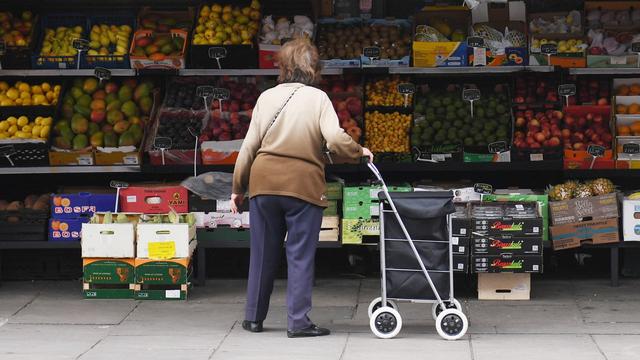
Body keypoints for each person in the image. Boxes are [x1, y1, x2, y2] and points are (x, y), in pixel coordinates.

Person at [230, 38, 373, 338]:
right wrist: (359, 151)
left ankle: (253, 318)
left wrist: (237, 187)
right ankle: (298, 323)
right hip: (303, 186)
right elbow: (334, 139)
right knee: (299, 255)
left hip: (263, 183)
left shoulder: (266, 97)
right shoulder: (318, 98)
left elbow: (248, 147)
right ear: (314, 67)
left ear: (282, 66)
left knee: (262, 254)